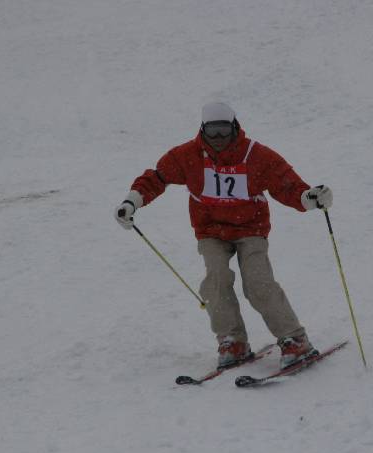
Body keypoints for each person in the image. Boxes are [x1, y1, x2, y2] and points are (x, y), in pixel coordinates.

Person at [115, 102, 333, 370]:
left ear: (234, 127)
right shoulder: (188, 155)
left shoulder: (255, 155)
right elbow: (157, 178)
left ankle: (294, 339)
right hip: (210, 231)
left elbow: (286, 184)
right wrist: (132, 202)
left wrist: (308, 198)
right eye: (212, 131)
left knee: (257, 282)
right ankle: (233, 340)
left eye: (223, 130)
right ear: (202, 129)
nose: (218, 138)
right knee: (215, 282)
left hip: (250, 228)